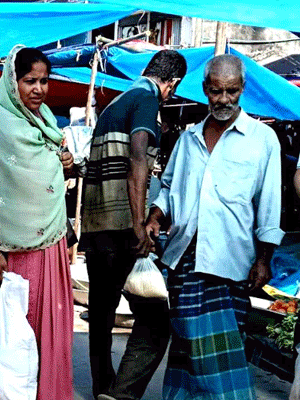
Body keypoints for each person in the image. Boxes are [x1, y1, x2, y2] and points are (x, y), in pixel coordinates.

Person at [146, 54, 283, 399]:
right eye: (217, 91)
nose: (224, 100)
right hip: (185, 261)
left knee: (219, 354)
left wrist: (264, 259)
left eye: (232, 91)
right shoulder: (188, 139)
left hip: (230, 263)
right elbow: (168, 190)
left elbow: (268, 207)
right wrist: (154, 218)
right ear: (205, 89)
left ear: (242, 90)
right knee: (188, 349)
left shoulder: (262, 139)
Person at [81, 49, 187, 400]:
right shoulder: (146, 99)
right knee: (156, 321)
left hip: (95, 227)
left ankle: (103, 386)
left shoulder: (117, 102)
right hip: (122, 227)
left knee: (101, 312)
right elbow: (138, 157)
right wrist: (140, 225)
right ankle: (122, 392)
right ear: (171, 84)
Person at [0, 45, 75, 400]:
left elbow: (45, 175)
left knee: (44, 336)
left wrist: (63, 162)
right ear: (12, 81)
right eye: (30, 80)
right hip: (11, 255)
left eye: (44, 81)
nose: (39, 89)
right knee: (14, 339)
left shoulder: (46, 122)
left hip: (50, 249)